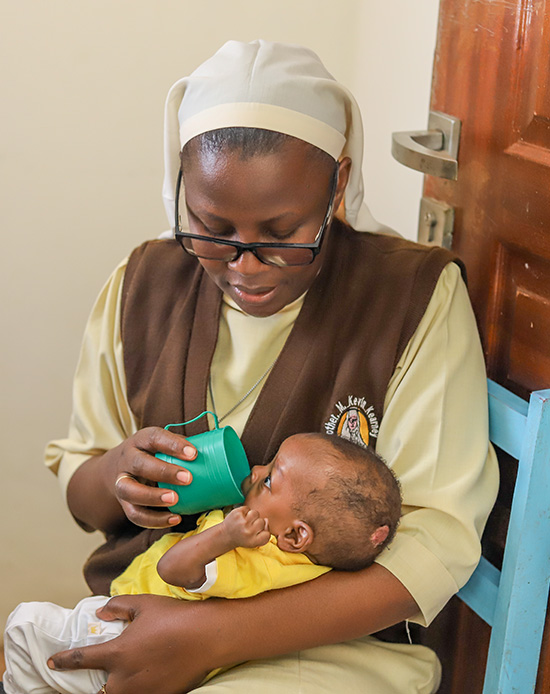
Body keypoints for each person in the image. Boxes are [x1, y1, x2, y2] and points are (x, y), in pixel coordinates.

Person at [41, 40, 499, 694]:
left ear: (338, 184)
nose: (244, 267)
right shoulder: (141, 284)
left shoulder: (411, 296)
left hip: (327, 653)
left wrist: (213, 637)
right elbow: (81, 485)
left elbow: (436, 546)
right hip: (143, 620)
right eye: (210, 227)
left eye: (282, 234)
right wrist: (118, 473)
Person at [0, 433, 402, 694]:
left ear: (295, 535)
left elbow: (174, 570)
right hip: (148, 633)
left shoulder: (253, 555)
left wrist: (224, 534)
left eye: (271, 478)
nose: (256, 469)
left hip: (130, 632)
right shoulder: (306, 565)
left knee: (25, 626)